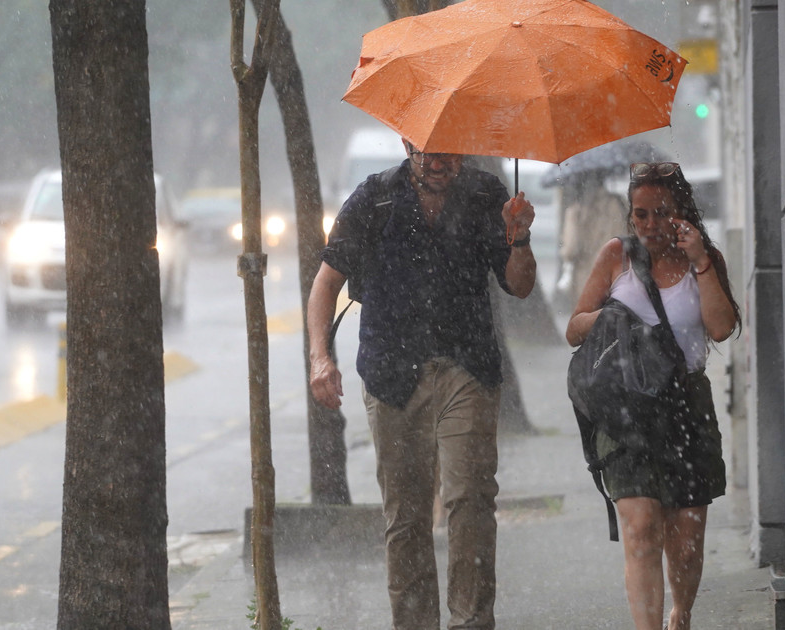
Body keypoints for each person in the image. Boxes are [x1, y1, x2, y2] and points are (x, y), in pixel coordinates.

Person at [307, 140, 536, 630]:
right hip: (393, 373)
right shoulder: (375, 197)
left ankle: (471, 621)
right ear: (406, 143)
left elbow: (519, 285)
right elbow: (326, 282)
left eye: (448, 152)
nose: (436, 163)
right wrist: (320, 358)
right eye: (426, 151)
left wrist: (519, 239)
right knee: (406, 517)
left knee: (471, 499)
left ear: (465, 149)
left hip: (466, 368)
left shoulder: (485, 195)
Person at [564, 162, 740, 630]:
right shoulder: (617, 256)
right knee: (641, 530)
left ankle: (681, 613)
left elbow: (721, 327)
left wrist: (700, 260)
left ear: (682, 212)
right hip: (625, 408)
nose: (649, 224)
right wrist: (611, 317)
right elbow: (574, 329)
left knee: (686, 538)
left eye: (661, 213)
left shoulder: (704, 260)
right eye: (640, 214)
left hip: (685, 404)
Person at [556, 170, 629, 307]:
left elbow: (570, 250)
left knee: (588, 318)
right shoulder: (619, 203)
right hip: (616, 277)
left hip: (587, 279)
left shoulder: (577, 210)